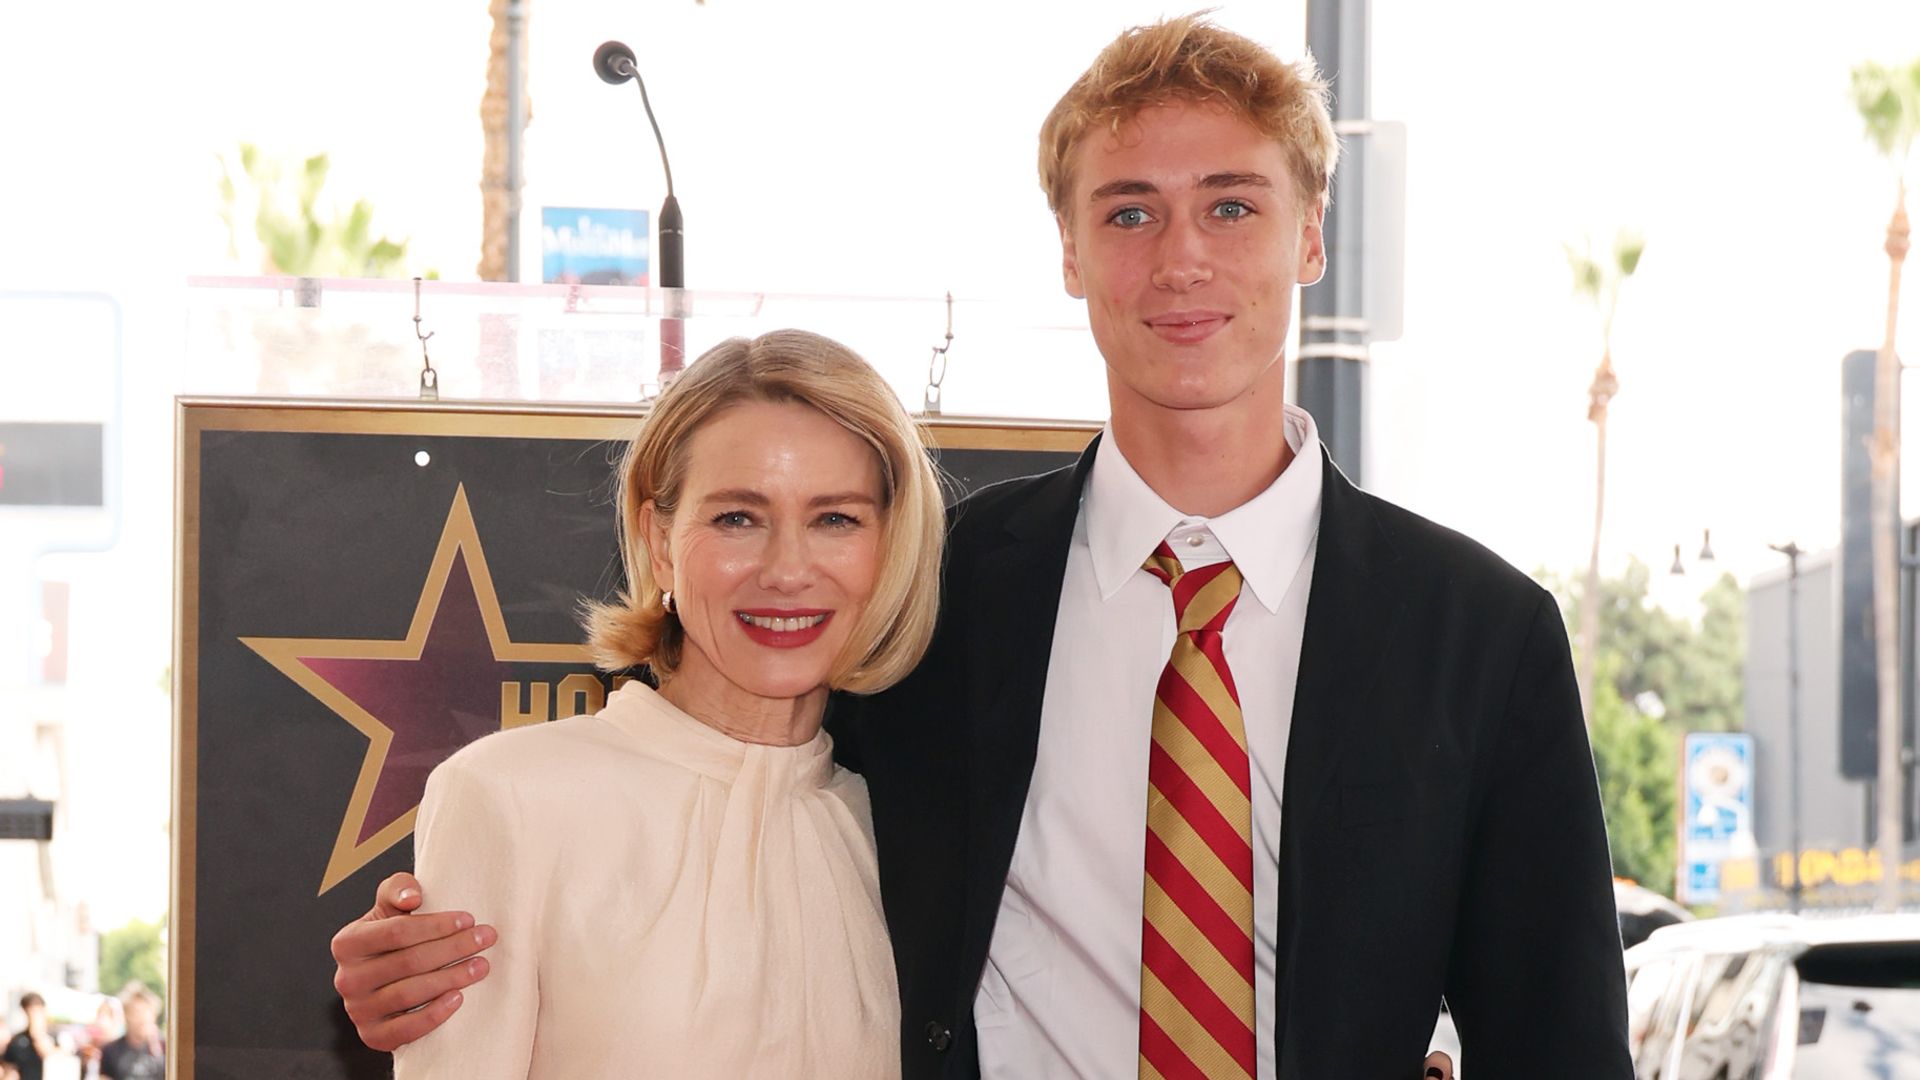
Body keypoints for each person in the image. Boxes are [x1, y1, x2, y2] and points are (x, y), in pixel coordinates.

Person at [333, 14, 1631, 1078]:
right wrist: (418, 949)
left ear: (1310, 234)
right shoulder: (935, 599)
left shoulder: (1484, 640)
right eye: (1130, 212)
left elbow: (1557, 1045)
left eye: (1232, 206)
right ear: (1070, 250)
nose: (1182, 258)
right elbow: (717, 794)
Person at [386, 330, 946, 1076]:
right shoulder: (510, 797)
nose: (787, 570)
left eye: (836, 519)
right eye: (737, 517)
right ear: (659, 541)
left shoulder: (904, 837)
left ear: (892, 545)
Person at [97, 987, 163, 1080]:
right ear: (126, 1015)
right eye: (136, 1012)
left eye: (146, 1012)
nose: (142, 1018)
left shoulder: (166, 1048)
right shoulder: (110, 1051)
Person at [1, 994, 50, 1080]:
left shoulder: (56, 1036)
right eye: (30, 1011)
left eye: (36, 1011)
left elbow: (49, 1054)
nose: (33, 1016)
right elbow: (10, 1070)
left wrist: (37, 1034)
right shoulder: (17, 1041)